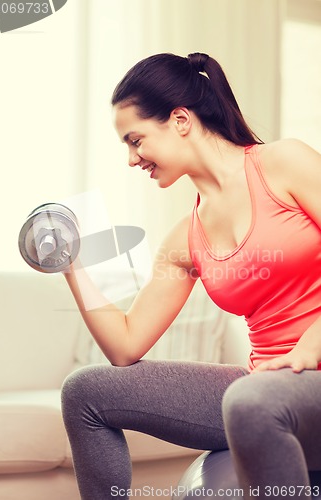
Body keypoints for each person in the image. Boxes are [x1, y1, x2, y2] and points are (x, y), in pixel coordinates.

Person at [61, 52, 321, 499]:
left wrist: (310, 346)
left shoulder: (284, 164)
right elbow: (125, 346)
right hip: (264, 386)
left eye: (135, 140)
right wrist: (71, 264)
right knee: (85, 391)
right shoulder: (186, 239)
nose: (131, 159)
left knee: (251, 401)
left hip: (296, 381)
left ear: (180, 120)